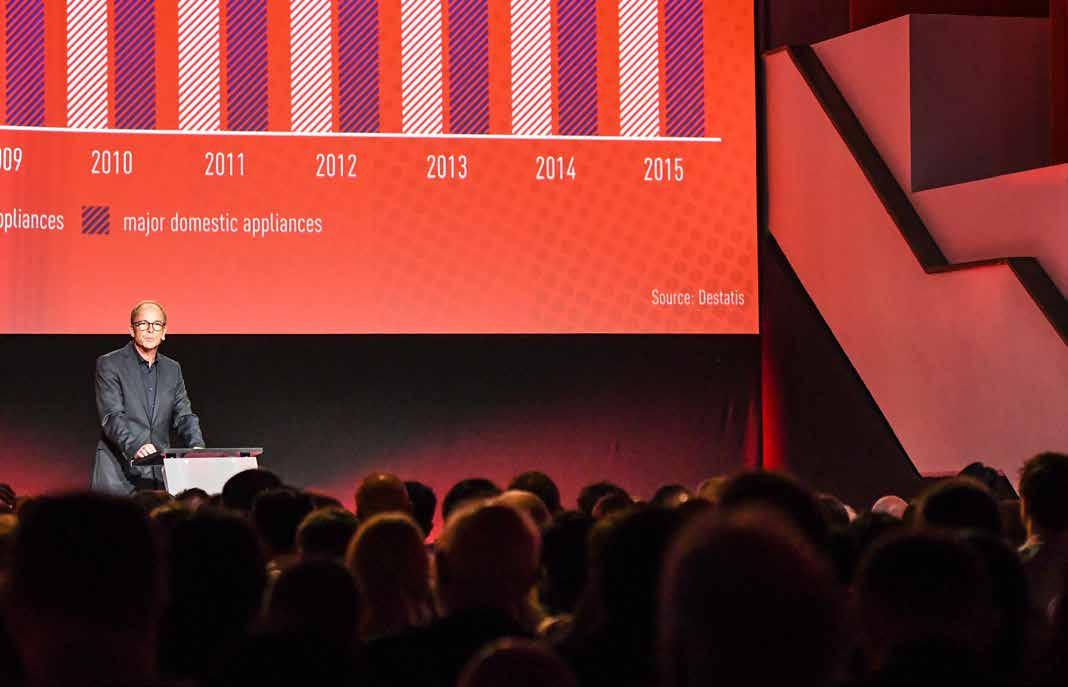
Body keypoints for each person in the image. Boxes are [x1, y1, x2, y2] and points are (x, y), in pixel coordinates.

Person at [90, 300, 204, 494]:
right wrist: (136, 446)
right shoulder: (110, 363)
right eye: (143, 324)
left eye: (157, 324)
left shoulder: (172, 369)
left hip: (158, 472)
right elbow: (111, 416)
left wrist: (197, 447)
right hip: (117, 472)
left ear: (164, 332)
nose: (150, 330)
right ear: (132, 330)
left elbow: (184, 415)